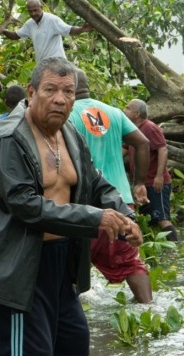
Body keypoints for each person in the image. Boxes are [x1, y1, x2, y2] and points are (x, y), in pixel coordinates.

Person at [0, 57, 142, 356]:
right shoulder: (9, 139)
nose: (60, 99)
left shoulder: (70, 134)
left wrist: (123, 217)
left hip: (62, 265)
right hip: (20, 270)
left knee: (72, 346)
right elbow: (25, 204)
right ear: (32, 91)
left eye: (68, 91)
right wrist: (96, 219)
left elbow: (96, 183)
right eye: (51, 89)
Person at [69, 69, 153, 303]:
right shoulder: (114, 112)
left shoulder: (66, 114)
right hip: (119, 200)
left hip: (81, 203)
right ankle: (148, 310)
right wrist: (138, 184)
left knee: (72, 262)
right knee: (130, 260)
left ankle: (71, 317)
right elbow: (143, 143)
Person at [123, 99, 178, 242]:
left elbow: (163, 150)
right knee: (147, 219)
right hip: (142, 185)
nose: (124, 110)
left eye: (127, 108)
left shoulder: (150, 127)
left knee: (162, 219)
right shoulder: (132, 129)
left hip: (155, 183)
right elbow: (123, 149)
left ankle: (175, 250)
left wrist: (159, 177)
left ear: (136, 114)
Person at [0, 0, 92, 63]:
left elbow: (68, 30)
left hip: (57, 63)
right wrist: (3, 31)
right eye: (30, 11)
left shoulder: (52, 20)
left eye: (36, 10)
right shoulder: (30, 23)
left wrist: (81, 29)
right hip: (43, 64)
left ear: (41, 8)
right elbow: (16, 35)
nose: (33, 13)